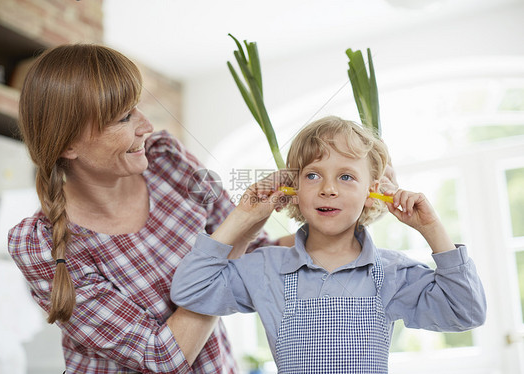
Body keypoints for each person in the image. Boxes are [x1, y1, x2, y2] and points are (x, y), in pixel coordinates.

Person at [7, 43, 288, 373]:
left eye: (137, 107)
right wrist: (236, 229)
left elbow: (257, 253)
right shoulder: (41, 245)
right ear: (68, 143)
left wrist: (336, 224)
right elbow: (161, 357)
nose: (146, 126)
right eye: (125, 117)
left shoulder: (166, 159)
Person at [171, 115, 487, 373]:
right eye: (313, 176)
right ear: (293, 188)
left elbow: (467, 312)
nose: (328, 189)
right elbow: (190, 290)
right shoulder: (265, 267)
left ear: (372, 191)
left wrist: (432, 230)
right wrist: (241, 217)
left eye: (346, 177)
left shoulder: (393, 272)